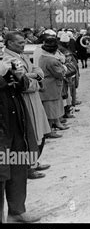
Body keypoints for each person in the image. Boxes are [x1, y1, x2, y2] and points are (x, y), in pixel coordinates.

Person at [2, 32, 53, 180]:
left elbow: (37, 70)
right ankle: (28, 168)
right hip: (24, 99)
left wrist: (32, 75)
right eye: (19, 43)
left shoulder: (21, 55)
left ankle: (34, 162)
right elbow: (22, 82)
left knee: (40, 132)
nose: (23, 45)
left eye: (24, 42)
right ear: (9, 43)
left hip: (34, 97)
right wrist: (33, 76)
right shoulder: (8, 59)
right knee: (30, 134)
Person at [0, 59, 41, 223]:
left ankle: (16, 211)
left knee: (18, 168)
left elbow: (24, 87)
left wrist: (19, 76)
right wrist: (2, 78)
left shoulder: (6, 62)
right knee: (1, 173)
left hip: (15, 125)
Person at [38, 37, 69, 132]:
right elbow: (60, 73)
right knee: (51, 108)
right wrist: (64, 67)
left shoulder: (43, 57)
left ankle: (57, 123)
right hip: (51, 86)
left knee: (54, 105)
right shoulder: (52, 61)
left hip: (48, 85)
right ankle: (50, 129)